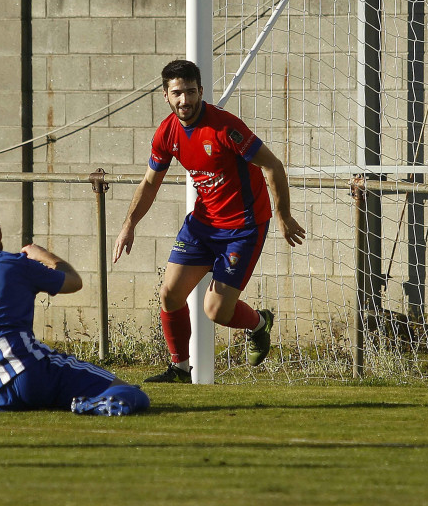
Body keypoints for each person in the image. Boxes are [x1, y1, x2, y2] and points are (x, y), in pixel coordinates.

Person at [114, 59, 305, 383]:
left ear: (201, 91)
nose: (184, 100)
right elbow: (149, 183)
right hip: (203, 225)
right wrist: (129, 224)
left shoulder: (225, 128)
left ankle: (259, 323)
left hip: (243, 227)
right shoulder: (167, 132)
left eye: (190, 91)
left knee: (215, 311)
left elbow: (272, 165)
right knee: (170, 294)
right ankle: (179, 369)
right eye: (177, 93)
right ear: (166, 95)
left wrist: (283, 216)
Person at [0, 205, 149, 416]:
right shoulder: (17, 265)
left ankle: (79, 401)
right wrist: (44, 255)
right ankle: (91, 404)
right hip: (31, 373)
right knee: (131, 392)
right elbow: (74, 281)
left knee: (50, 389)